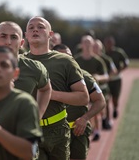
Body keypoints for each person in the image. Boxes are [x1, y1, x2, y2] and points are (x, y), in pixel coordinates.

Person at [25, 16, 89, 160]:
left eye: (40, 27)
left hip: (58, 130)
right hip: (30, 130)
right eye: (31, 27)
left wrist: (49, 94)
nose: (35, 29)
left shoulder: (65, 61)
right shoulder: (19, 63)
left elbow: (83, 97)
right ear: (26, 35)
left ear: (50, 34)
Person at [53, 44, 106, 160]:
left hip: (78, 131)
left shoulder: (84, 76)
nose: (68, 61)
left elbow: (100, 101)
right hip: (54, 132)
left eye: (70, 57)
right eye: (62, 57)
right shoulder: (45, 77)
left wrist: (85, 118)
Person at [74, 35, 109, 141]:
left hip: (93, 90)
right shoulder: (76, 59)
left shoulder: (98, 61)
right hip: (80, 90)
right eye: (85, 42)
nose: (87, 45)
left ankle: (97, 131)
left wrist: (98, 77)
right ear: (81, 44)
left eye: (89, 42)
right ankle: (87, 130)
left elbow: (106, 76)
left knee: (94, 111)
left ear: (92, 44)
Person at [93, 39, 118, 130]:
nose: (95, 49)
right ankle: (96, 125)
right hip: (92, 87)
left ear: (101, 48)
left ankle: (107, 120)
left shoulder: (106, 59)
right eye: (94, 47)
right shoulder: (90, 58)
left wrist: (106, 78)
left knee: (105, 104)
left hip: (103, 86)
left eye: (97, 47)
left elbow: (114, 70)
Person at [103, 36, 129, 119]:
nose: (109, 45)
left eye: (110, 43)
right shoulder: (103, 53)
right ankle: (107, 117)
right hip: (106, 79)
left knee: (115, 97)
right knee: (106, 98)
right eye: (107, 43)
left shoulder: (118, 52)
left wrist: (119, 70)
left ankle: (115, 108)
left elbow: (126, 62)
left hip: (116, 79)